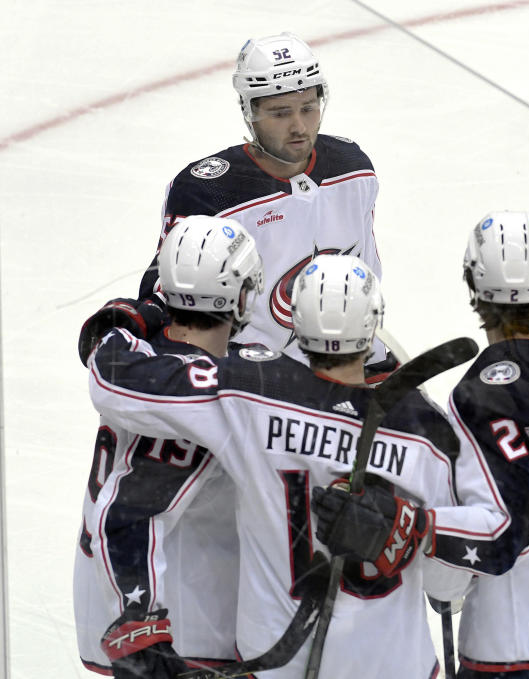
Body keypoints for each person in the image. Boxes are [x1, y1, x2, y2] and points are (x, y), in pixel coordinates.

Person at [87, 250, 462, 678]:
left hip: (273, 667)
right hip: (397, 667)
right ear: (374, 322)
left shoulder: (251, 392)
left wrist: (136, 321)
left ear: (295, 321)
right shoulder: (427, 430)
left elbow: (119, 384)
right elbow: (449, 585)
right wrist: (409, 530)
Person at [313, 210, 529, 678]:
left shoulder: (488, 394)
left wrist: (404, 526)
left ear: (472, 282)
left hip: (527, 640)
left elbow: (503, 536)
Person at [73, 215, 264, 676]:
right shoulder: (197, 400)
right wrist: (143, 634)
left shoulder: (133, 351)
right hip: (178, 622)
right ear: (241, 296)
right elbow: (126, 515)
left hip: (114, 597)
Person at [139, 31, 384, 366]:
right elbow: (170, 301)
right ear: (249, 111)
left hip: (339, 371)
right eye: (281, 113)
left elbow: (365, 275)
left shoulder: (353, 169)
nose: (299, 126)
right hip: (249, 388)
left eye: (308, 108)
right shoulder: (209, 193)